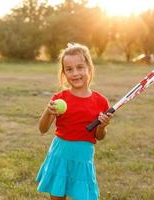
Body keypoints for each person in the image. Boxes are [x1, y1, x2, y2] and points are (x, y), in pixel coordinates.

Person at [36, 43, 113, 200]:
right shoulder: (59, 99)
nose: (75, 73)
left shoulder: (101, 102)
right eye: (69, 69)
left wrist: (102, 126)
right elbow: (42, 129)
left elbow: (99, 136)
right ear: (64, 73)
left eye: (80, 67)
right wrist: (47, 111)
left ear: (89, 68)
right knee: (58, 196)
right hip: (60, 154)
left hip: (83, 158)